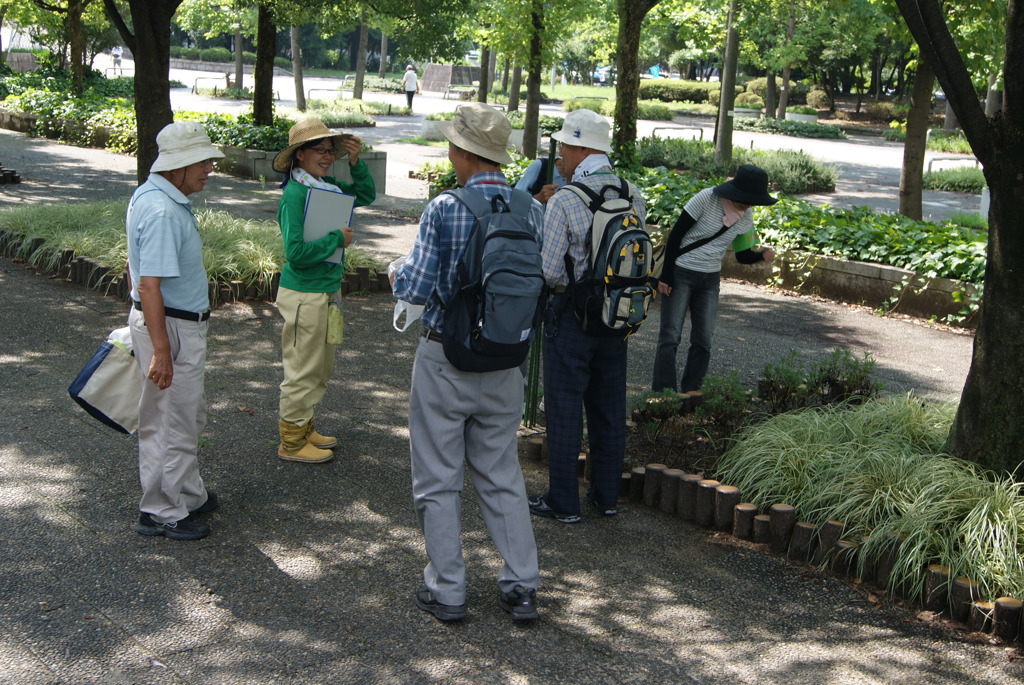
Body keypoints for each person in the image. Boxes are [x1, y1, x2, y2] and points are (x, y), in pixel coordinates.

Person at [392, 102, 542, 624]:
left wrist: (396, 271)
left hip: (446, 359)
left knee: (437, 477)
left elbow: (415, 286)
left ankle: (448, 589)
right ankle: (521, 586)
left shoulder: (445, 207)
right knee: (502, 475)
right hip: (505, 361)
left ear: (461, 151)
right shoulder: (531, 208)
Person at [528, 108, 646, 524]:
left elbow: (550, 270)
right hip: (617, 314)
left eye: (564, 145)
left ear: (581, 148)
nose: (560, 154)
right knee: (609, 406)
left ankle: (564, 501)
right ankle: (607, 496)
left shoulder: (565, 199)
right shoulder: (633, 193)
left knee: (564, 406)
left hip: (571, 314)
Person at [127, 122, 224, 541]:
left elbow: (139, 275)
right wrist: (161, 350)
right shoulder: (164, 209)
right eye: (202, 161)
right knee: (171, 421)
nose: (209, 168)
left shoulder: (155, 196)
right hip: (173, 326)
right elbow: (150, 284)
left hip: (171, 324)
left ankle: (184, 492)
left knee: (182, 415)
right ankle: (163, 510)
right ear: (178, 165)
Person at [272, 118, 376, 463]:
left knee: (320, 368)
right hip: (304, 294)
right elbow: (296, 254)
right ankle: (290, 442)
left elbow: (365, 195)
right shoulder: (295, 194)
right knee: (302, 370)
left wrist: (356, 162)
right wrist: (337, 239)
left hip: (325, 292)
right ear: (299, 155)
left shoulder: (323, 186)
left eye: (330, 150)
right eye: (320, 149)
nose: (327, 155)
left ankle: (304, 427)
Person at [651, 164, 777, 394]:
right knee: (670, 337)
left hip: (709, 279)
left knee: (704, 340)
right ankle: (663, 394)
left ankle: (692, 391)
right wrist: (666, 276)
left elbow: (742, 255)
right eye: (745, 198)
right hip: (681, 272)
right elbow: (676, 235)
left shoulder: (746, 216)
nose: (747, 204)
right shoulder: (706, 199)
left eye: (752, 200)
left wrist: (760, 256)